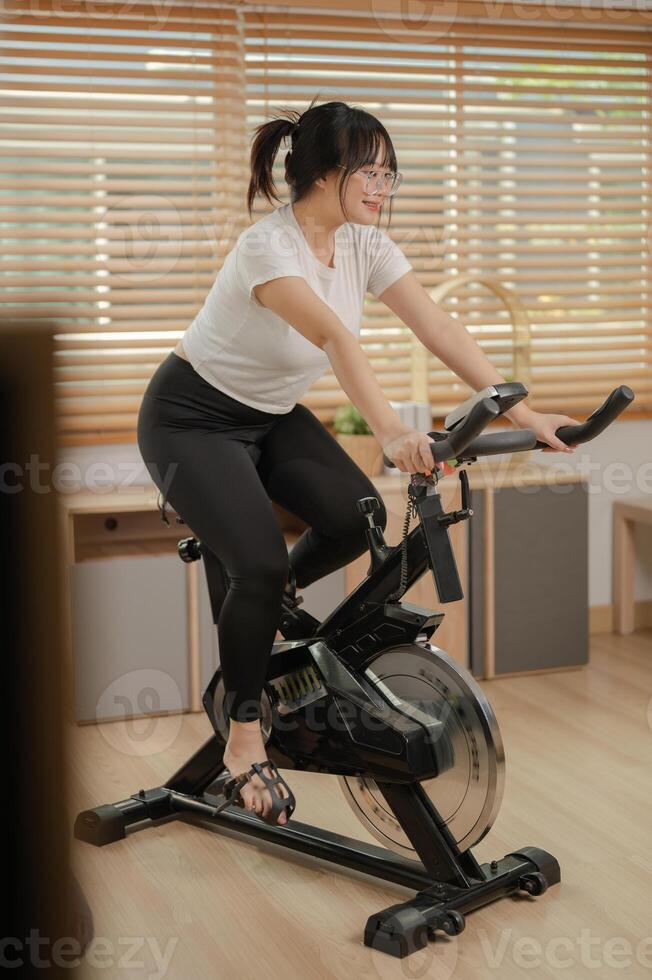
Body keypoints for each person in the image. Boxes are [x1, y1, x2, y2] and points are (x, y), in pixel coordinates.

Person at [137, 98, 577, 826]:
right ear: (320, 173)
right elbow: (339, 340)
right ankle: (244, 740)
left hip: (271, 416)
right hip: (191, 420)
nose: (383, 187)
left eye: (389, 174)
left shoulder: (365, 245)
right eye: (368, 172)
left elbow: (435, 323)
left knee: (354, 518)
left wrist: (525, 413)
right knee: (260, 564)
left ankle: (260, 606)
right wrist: (392, 431)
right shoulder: (267, 248)